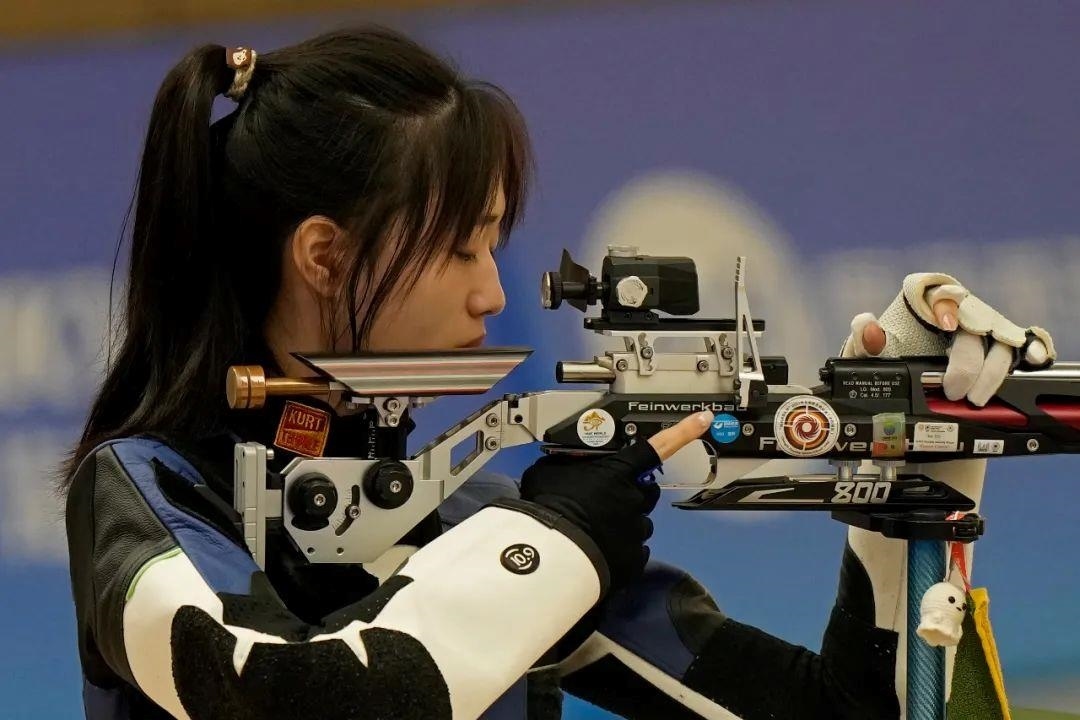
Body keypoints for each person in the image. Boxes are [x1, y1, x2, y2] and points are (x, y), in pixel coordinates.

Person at [62, 26, 1055, 720]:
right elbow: (300, 697)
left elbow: (842, 713)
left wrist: (917, 453)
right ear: (324, 256)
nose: (490, 293)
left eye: (494, 246)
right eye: (460, 247)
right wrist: (554, 542)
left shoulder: (468, 522)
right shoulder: (148, 492)